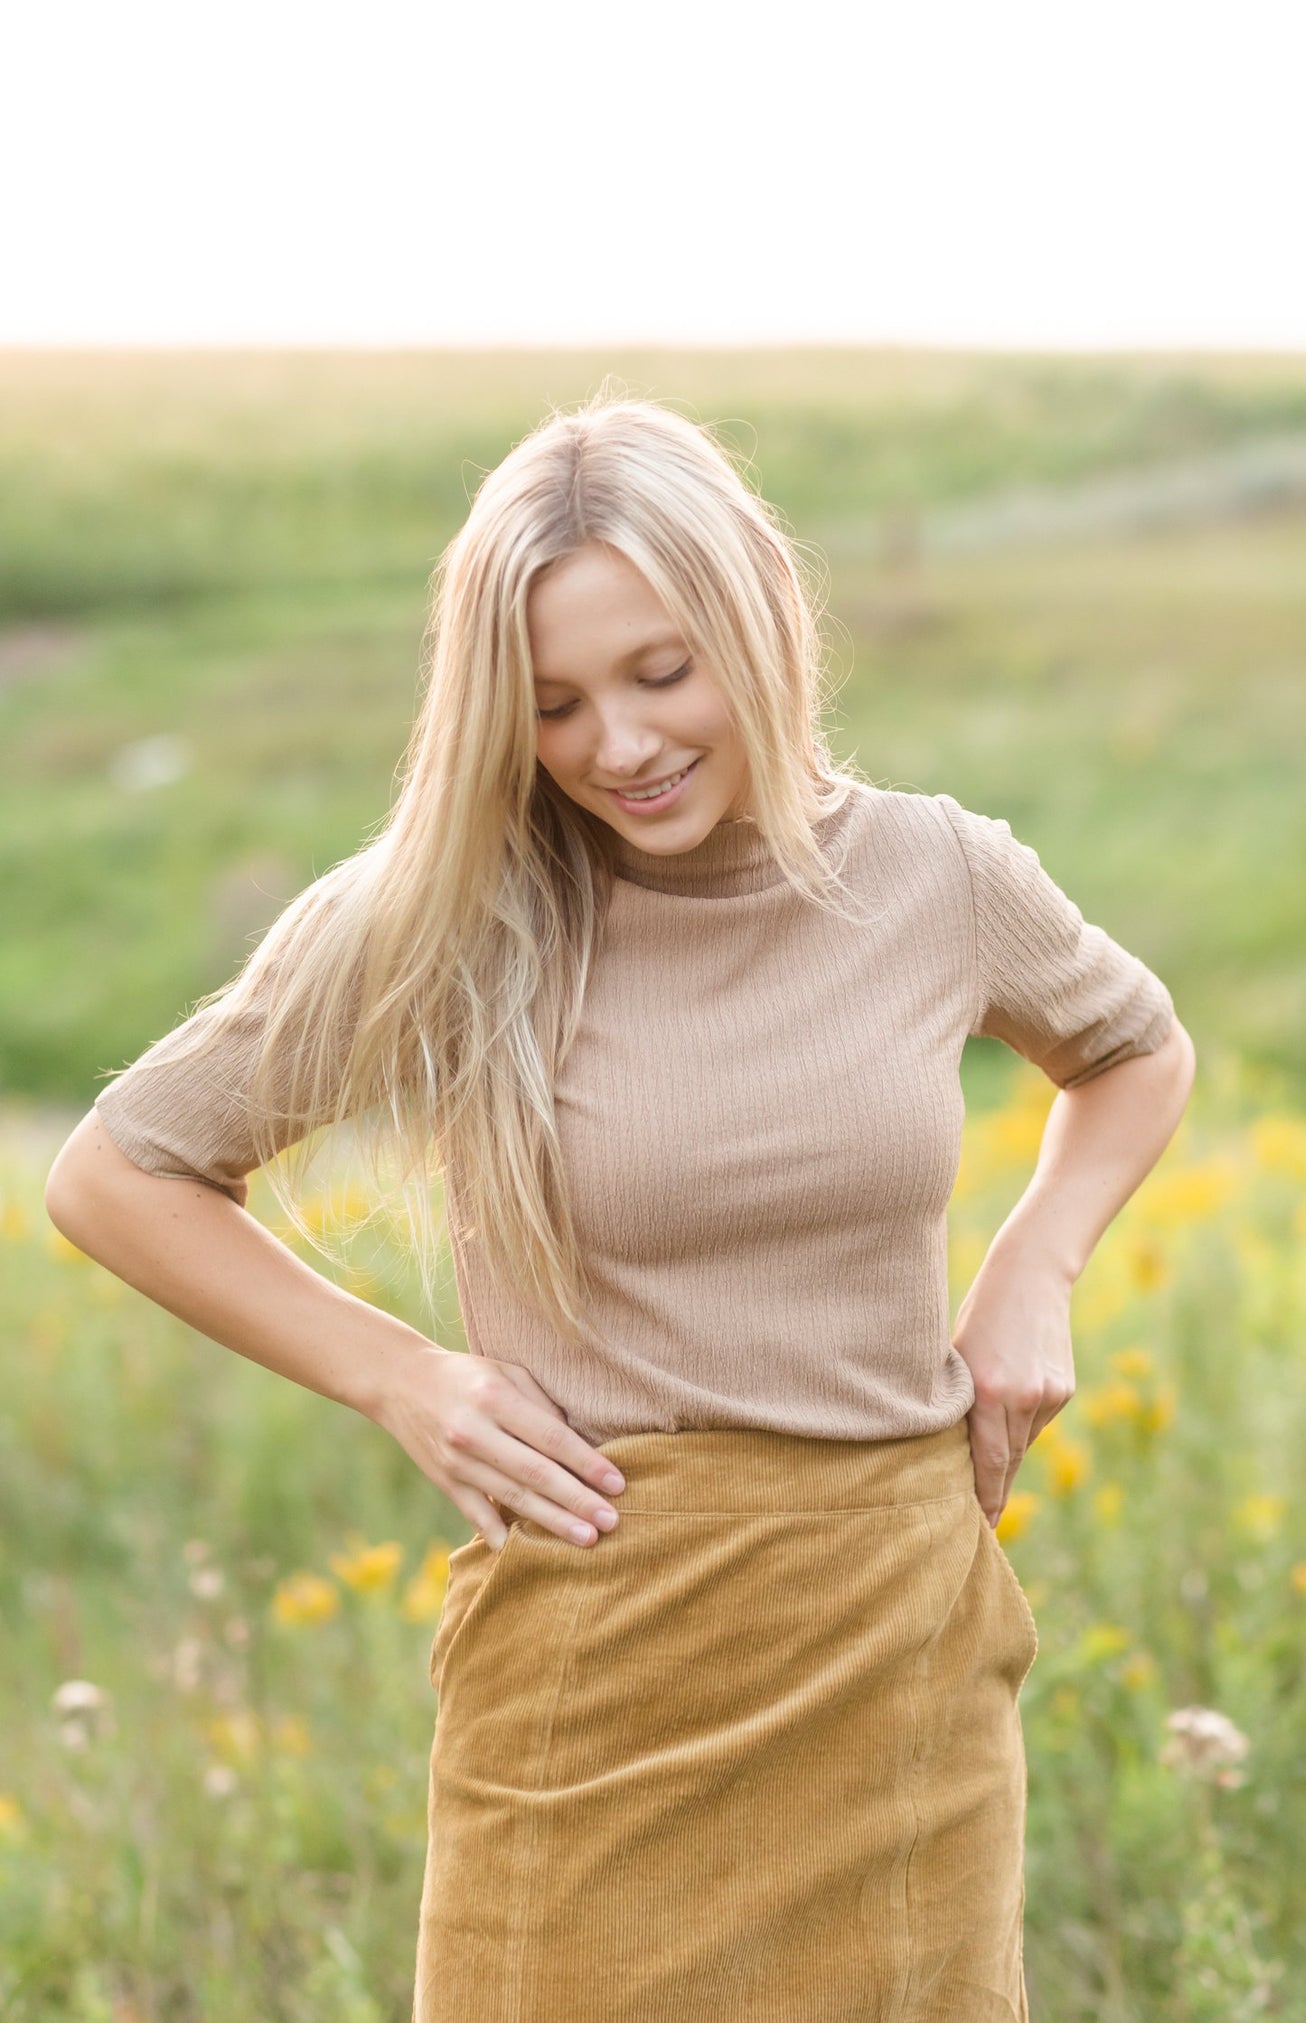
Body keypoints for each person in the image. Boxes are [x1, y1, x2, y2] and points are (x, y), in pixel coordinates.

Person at [46, 388, 1195, 2022]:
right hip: (596, 1658)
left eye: (661, 673)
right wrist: (405, 1378)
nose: (620, 746)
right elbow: (119, 1172)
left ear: (761, 622)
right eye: (556, 703)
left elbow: (1134, 1052)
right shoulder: (445, 912)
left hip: (895, 1653)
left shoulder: (941, 878)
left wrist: (1033, 1262)